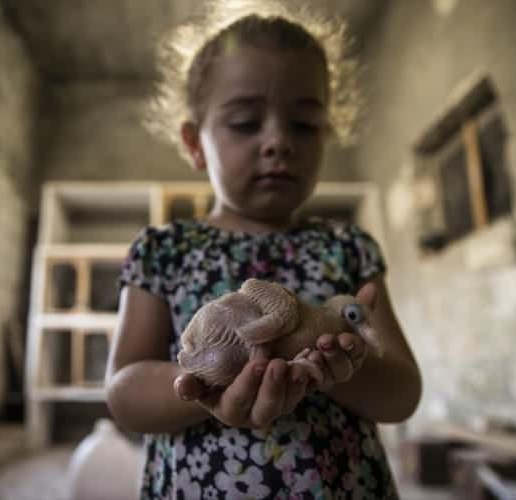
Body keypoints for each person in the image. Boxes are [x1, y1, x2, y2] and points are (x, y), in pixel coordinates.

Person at [105, 4, 421, 498]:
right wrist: (208, 380)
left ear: (327, 134)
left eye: (304, 124)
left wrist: (338, 367)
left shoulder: (348, 248)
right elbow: (123, 392)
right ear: (194, 143)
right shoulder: (164, 250)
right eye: (245, 122)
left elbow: (403, 393)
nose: (278, 142)